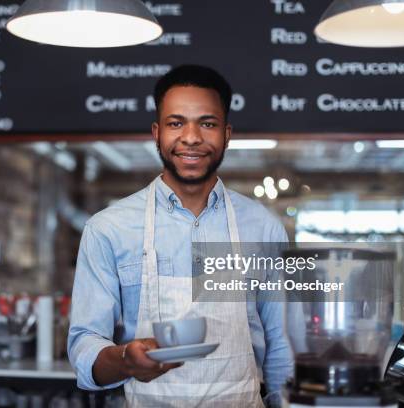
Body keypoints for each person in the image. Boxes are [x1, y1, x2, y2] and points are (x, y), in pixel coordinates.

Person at [68, 65, 293, 407]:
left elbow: (281, 344)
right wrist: (127, 360)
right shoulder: (107, 228)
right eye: (176, 123)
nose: (191, 137)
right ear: (156, 133)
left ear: (227, 133)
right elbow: (85, 345)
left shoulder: (264, 228)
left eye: (207, 123)